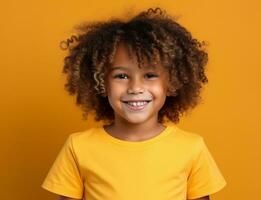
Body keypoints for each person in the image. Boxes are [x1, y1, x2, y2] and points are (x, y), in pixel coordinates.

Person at [41, 7, 227, 200]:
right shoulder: (78, 147)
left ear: (171, 82)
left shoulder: (191, 148)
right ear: (100, 82)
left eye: (150, 75)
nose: (135, 87)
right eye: (121, 76)